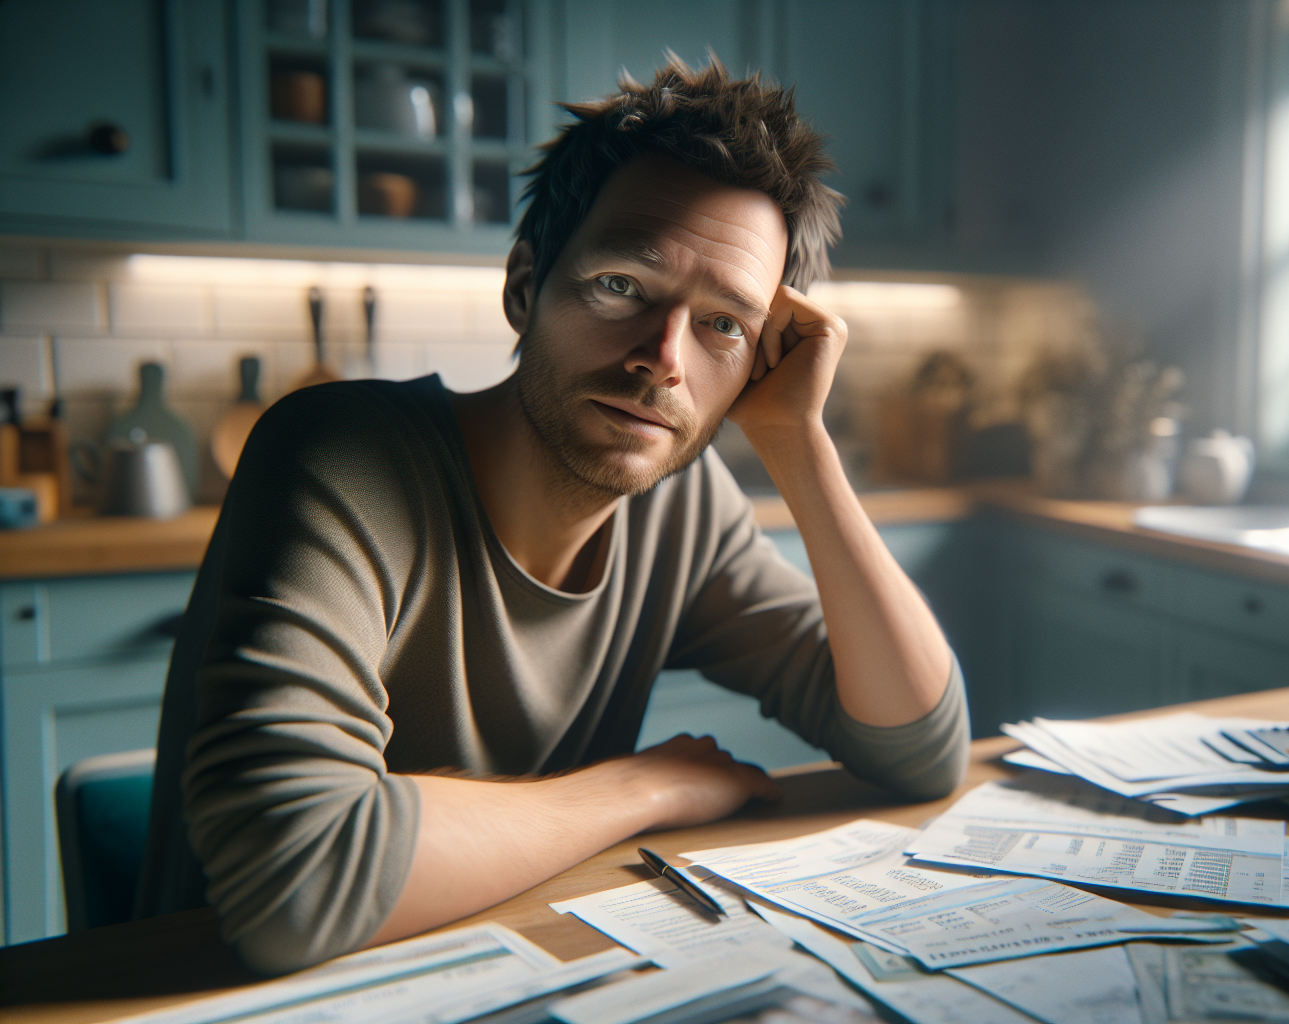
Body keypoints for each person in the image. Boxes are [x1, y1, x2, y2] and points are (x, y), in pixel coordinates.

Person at [136, 58, 970, 975]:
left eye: (723, 325)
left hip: (508, 966)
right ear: (525, 287)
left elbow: (921, 750)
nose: (663, 360)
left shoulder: (683, 508)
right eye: (621, 285)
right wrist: (642, 786)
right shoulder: (343, 453)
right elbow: (296, 886)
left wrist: (800, 445)